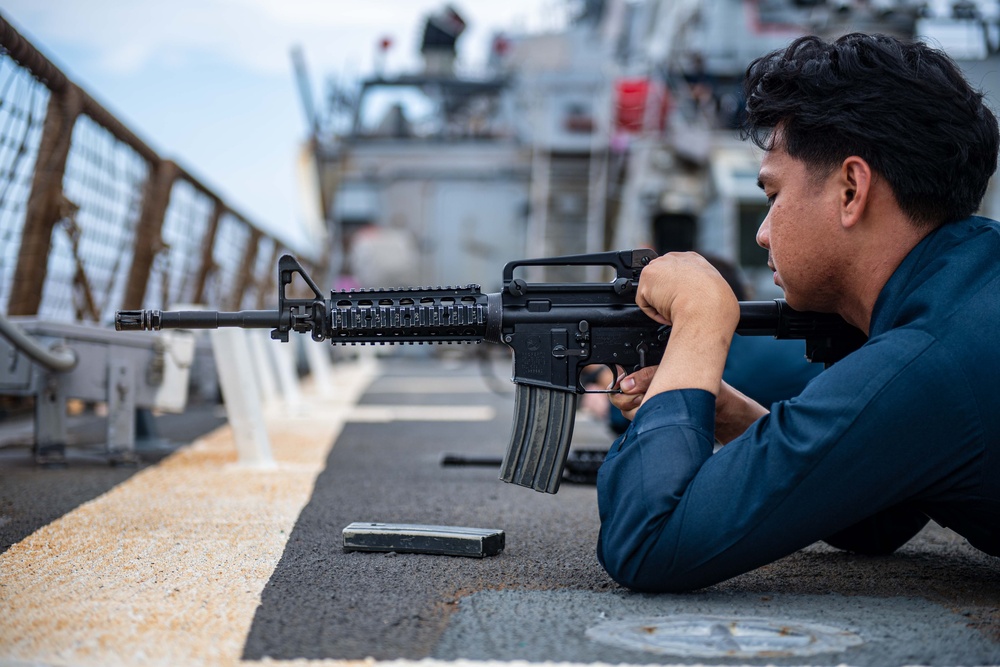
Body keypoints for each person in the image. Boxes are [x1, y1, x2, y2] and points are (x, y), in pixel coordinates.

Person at [596, 32, 1000, 593]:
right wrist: (726, 413)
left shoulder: (929, 356)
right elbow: (875, 515)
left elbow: (648, 542)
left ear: (851, 190)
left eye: (771, 196)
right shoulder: (968, 295)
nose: (762, 234)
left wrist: (701, 312)